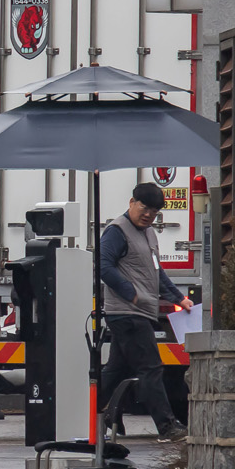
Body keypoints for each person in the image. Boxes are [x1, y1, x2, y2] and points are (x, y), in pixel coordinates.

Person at [98, 182, 193, 443]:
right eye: (144, 207)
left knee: (115, 370)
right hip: (127, 313)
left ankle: (90, 414)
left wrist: (178, 298)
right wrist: (130, 293)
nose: (148, 214)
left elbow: (156, 271)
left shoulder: (149, 234)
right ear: (131, 202)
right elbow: (102, 265)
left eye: (154, 210)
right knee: (150, 368)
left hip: (138, 312)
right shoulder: (117, 231)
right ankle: (167, 426)